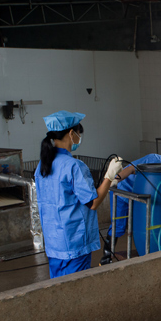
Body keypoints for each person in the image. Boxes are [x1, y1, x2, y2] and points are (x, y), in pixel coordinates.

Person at [35, 111, 123, 279]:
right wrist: (109, 175)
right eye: (78, 133)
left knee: (58, 288)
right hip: (74, 242)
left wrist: (107, 183)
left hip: (55, 242)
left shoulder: (43, 164)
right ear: (71, 133)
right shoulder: (74, 166)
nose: (78, 137)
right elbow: (93, 202)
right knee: (76, 289)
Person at [99, 150, 161, 265]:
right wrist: (114, 181)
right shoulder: (154, 160)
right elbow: (131, 169)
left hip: (140, 194)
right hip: (123, 188)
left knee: (143, 223)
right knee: (118, 225)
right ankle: (106, 258)